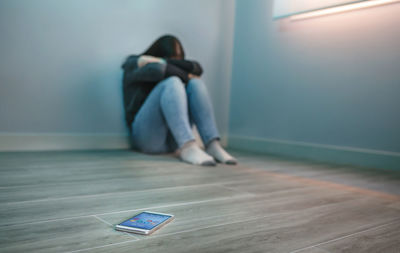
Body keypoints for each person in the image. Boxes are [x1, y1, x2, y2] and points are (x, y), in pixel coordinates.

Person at [121, 35, 237, 166]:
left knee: (195, 84)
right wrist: (183, 70)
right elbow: (159, 70)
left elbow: (197, 68)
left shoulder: (148, 61)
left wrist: (164, 62)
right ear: (158, 54)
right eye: (171, 60)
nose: (176, 65)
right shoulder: (134, 63)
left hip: (173, 143)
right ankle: (188, 147)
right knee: (172, 82)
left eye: (179, 61)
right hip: (146, 139)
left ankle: (212, 144)